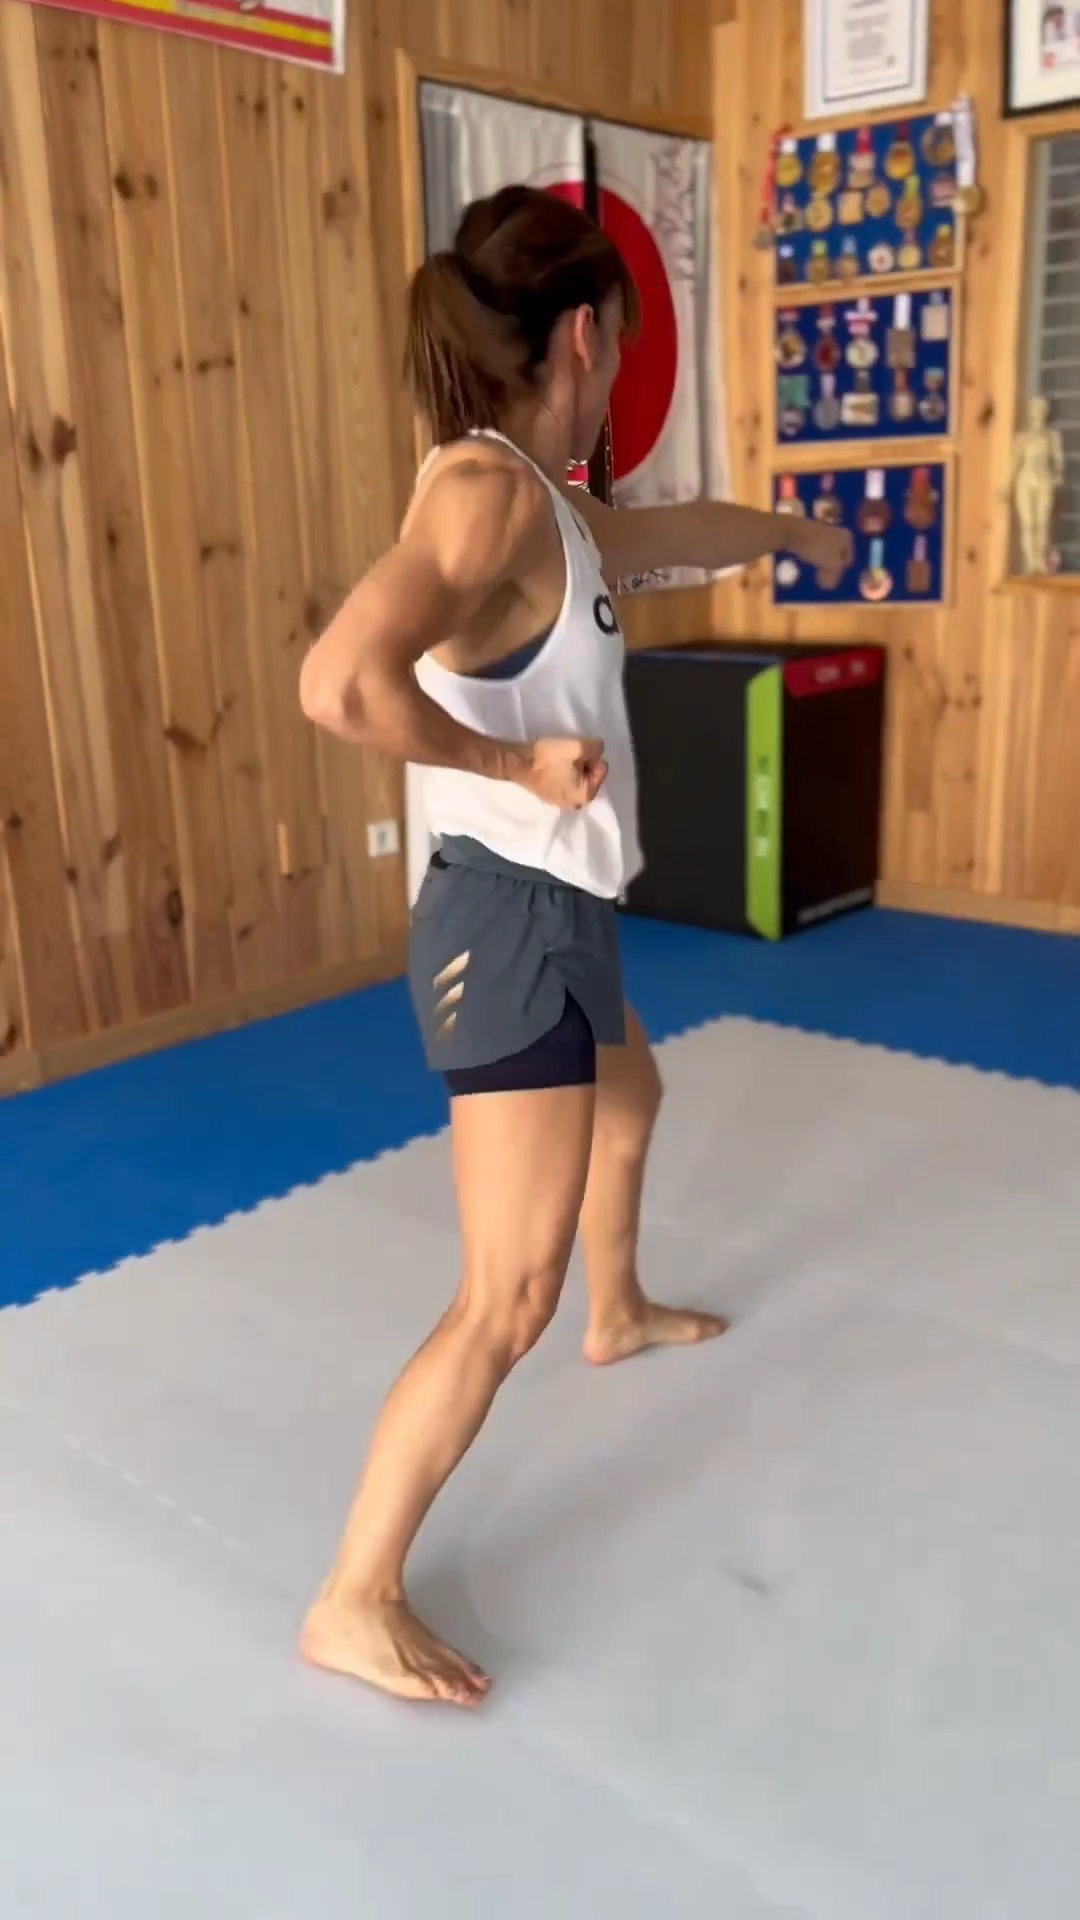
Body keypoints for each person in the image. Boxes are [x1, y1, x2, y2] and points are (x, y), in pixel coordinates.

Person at [298, 185, 851, 1708]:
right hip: (507, 916)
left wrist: (789, 530)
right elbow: (340, 683)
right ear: (586, 338)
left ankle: (619, 1310)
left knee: (634, 1102)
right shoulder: (485, 498)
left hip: (559, 907)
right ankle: (353, 1594)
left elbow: (666, 538)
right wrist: (511, 767)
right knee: (503, 1296)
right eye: (619, 343)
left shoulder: (547, 504)